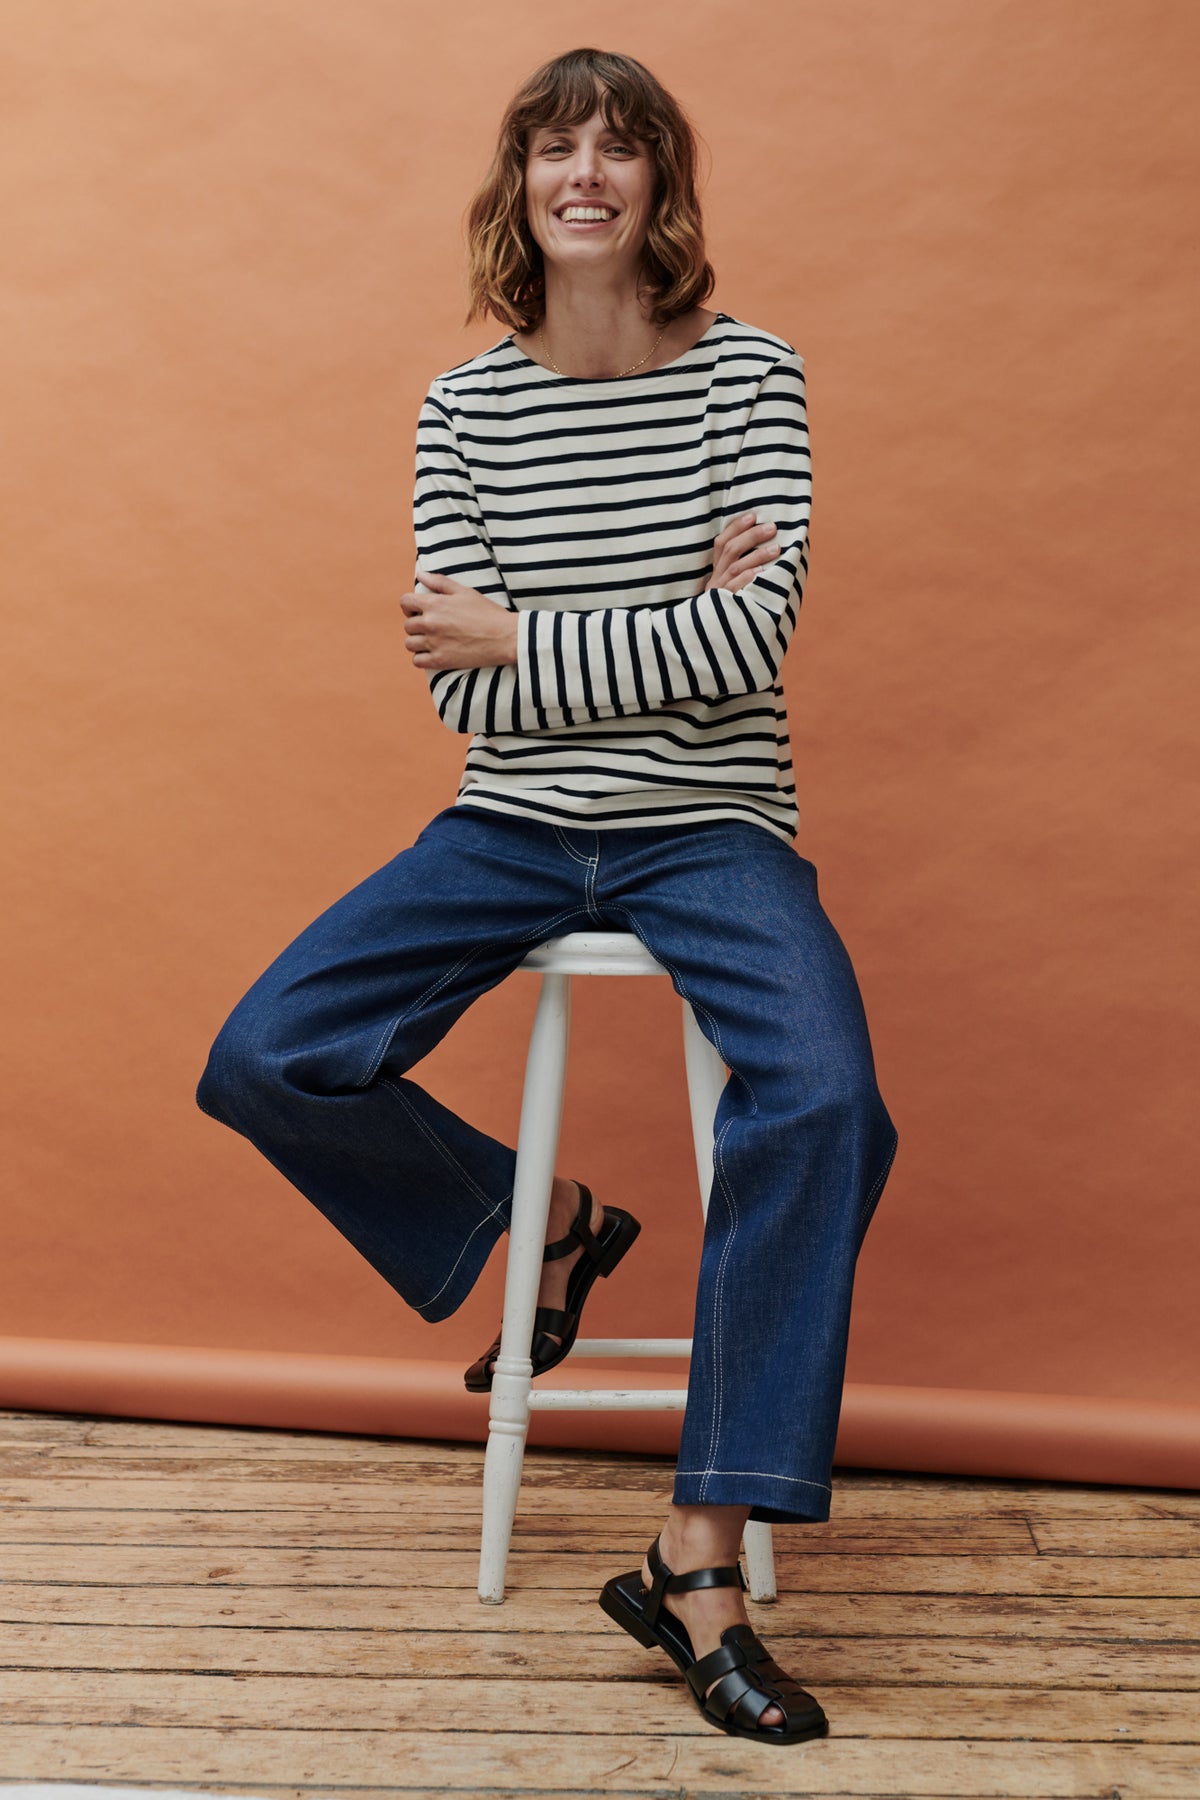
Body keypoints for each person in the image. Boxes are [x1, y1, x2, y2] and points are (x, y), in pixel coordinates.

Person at [195, 46, 899, 1747]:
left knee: (831, 1103)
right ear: (520, 186)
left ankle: (699, 1554)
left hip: (713, 827)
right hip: (510, 826)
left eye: (621, 149)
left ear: (663, 186)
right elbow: (463, 699)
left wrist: (528, 635)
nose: (587, 173)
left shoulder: (754, 380)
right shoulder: (468, 411)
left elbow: (753, 640)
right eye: (555, 148)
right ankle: (550, 1222)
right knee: (270, 1050)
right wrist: (598, 643)